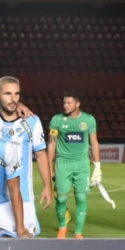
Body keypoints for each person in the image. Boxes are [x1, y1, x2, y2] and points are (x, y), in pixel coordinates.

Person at [0, 76, 52, 237]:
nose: (13, 99)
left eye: (17, 94)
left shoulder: (32, 121)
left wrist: (47, 185)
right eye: (8, 94)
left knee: (24, 243)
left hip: (24, 195)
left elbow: (41, 154)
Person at [48, 92, 100, 239]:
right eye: (64, 103)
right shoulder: (57, 120)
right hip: (63, 164)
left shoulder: (88, 120)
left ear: (77, 104)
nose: (65, 105)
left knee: (81, 198)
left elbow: (94, 143)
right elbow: (52, 143)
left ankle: (78, 232)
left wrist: (98, 167)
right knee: (61, 199)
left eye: (69, 103)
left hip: (82, 164)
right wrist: (49, 165)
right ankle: (62, 228)